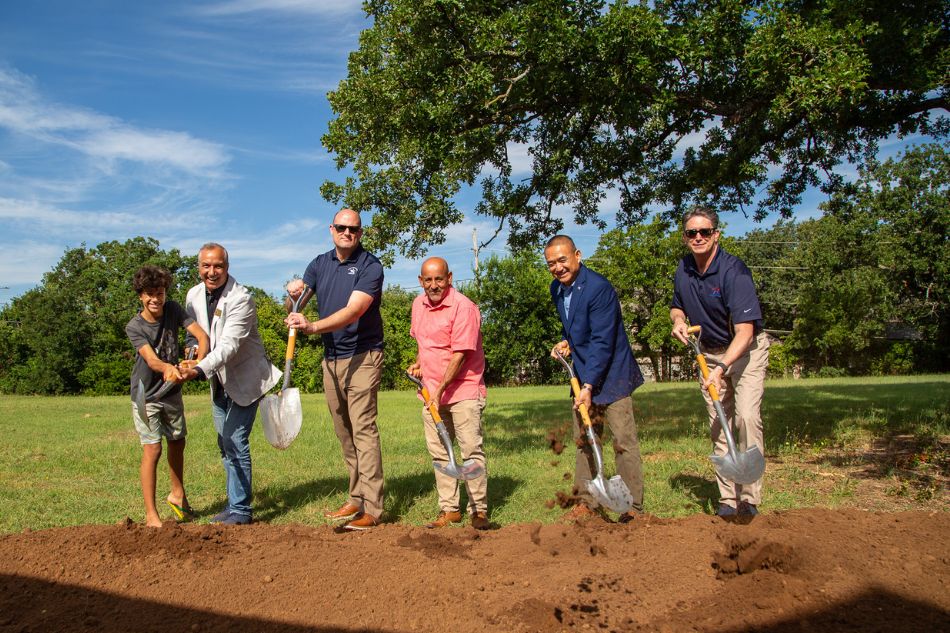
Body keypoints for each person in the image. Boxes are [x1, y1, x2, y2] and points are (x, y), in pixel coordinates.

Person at [285, 208, 385, 531]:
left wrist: (312, 327)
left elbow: (353, 311)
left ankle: (373, 508)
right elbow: (295, 308)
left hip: (363, 356)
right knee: (344, 432)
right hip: (332, 359)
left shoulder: (370, 266)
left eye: (353, 229)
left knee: (363, 430)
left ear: (361, 233)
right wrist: (293, 296)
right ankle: (356, 497)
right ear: (331, 229)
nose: (347, 233)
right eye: (341, 227)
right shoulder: (319, 264)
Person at [670, 205, 770, 517]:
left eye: (704, 231)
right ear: (685, 237)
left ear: (716, 234)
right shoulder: (684, 269)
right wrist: (677, 321)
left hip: (745, 352)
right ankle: (728, 499)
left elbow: (745, 332)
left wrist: (722, 368)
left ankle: (749, 498)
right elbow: (676, 306)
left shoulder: (733, 272)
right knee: (719, 424)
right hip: (707, 352)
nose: (698, 237)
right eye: (691, 232)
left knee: (745, 418)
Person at [544, 235, 645, 522]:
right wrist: (566, 343)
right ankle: (587, 504)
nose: (558, 267)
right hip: (583, 372)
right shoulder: (557, 289)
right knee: (585, 439)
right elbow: (576, 328)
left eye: (563, 260)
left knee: (623, 441)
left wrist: (588, 386)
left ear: (577, 255)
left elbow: (603, 341)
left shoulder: (599, 289)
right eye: (551, 263)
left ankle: (631, 508)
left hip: (612, 374)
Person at [180, 243, 282, 525]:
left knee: (235, 440)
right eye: (206, 266)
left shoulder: (241, 299)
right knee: (224, 443)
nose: (212, 272)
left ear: (227, 267)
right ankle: (233, 504)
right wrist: (190, 352)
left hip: (247, 378)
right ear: (198, 267)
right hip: (219, 380)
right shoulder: (193, 295)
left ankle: (241, 511)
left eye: (218, 266)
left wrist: (198, 369)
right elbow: (194, 334)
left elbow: (228, 346)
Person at [408, 257, 490, 530]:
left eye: (439, 279)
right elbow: (424, 343)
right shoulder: (418, 305)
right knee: (440, 454)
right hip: (432, 393)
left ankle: (479, 510)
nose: (434, 285)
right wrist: (419, 364)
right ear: (421, 281)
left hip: (463, 389)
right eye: (428, 280)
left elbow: (460, 355)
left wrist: (440, 388)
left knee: (470, 452)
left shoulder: (463, 307)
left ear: (450, 278)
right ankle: (449, 509)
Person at [126, 265, 209, 528]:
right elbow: (152, 361)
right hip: (146, 395)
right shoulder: (135, 327)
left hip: (172, 392)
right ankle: (151, 515)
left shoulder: (172, 309)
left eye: (159, 293)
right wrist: (169, 368)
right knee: (153, 449)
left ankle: (177, 495)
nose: (155, 299)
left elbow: (201, 335)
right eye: (149, 294)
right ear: (140, 295)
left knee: (177, 442)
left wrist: (197, 362)